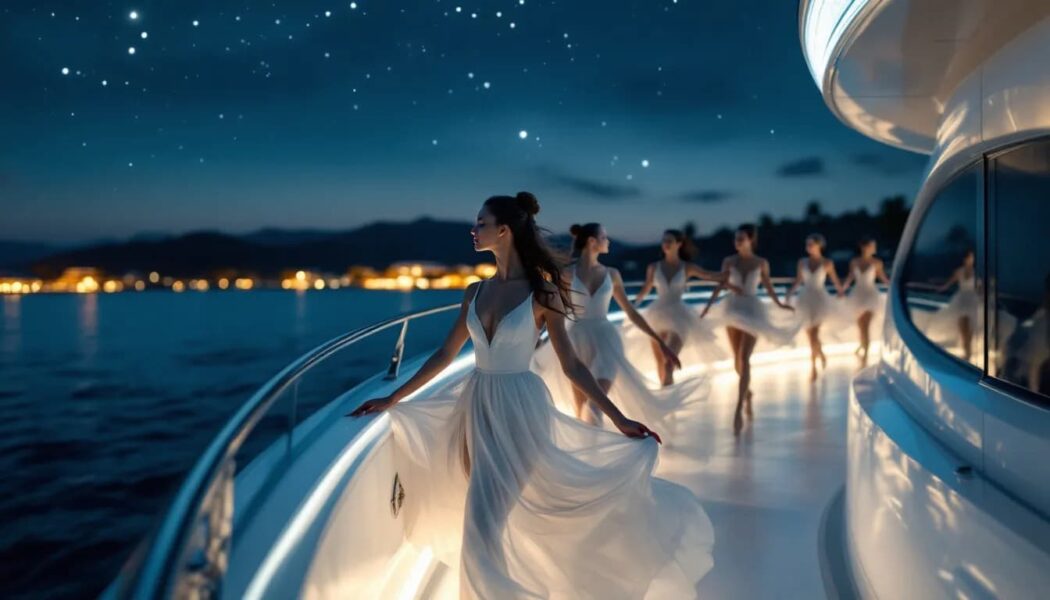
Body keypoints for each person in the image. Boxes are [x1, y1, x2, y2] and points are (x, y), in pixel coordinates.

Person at [350, 193, 713, 598]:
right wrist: (394, 397)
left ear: (503, 230)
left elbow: (572, 365)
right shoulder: (473, 291)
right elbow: (445, 354)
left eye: (481, 222)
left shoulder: (544, 293)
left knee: (482, 526)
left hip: (520, 410)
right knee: (484, 523)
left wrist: (618, 419)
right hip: (476, 407)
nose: (473, 229)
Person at [701, 224, 797, 434]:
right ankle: (748, 393)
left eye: (741, 238)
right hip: (733, 309)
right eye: (736, 238)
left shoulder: (761, 262)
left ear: (751, 240)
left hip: (753, 310)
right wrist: (708, 306)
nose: (737, 242)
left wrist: (780, 305)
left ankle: (738, 409)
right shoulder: (729, 261)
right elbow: (720, 284)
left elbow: (769, 287)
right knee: (737, 361)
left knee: (744, 359)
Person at [631, 229, 731, 386]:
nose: (666, 244)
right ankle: (667, 401)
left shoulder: (687, 267)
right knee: (660, 363)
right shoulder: (653, 267)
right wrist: (631, 304)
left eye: (670, 241)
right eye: (664, 241)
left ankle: (668, 399)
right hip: (656, 315)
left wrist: (727, 275)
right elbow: (645, 289)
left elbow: (708, 275)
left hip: (679, 316)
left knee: (668, 363)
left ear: (679, 244)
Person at [786, 234, 845, 381]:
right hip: (805, 299)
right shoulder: (802, 262)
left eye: (811, 244)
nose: (809, 247)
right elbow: (799, 280)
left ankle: (813, 369)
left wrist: (840, 291)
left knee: (814, 334)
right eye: (807, 244)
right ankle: (819, 355)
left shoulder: (827, 263)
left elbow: (835, 280)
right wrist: (790, 292)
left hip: (820, 299)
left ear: (819, 246)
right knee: (809, 334)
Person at [841, 237, 890, 366]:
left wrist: (893, 285)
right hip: (857, 295)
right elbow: (850, 277)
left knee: (866, 326)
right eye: (872, 246)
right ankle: (861, 347)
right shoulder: (854, 262)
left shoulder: (877, 262)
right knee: (861, 327)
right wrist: (842, 290)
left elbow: (882, 277)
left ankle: (865, 356)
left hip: (871, 296)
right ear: (865, 247)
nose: (874, 248)